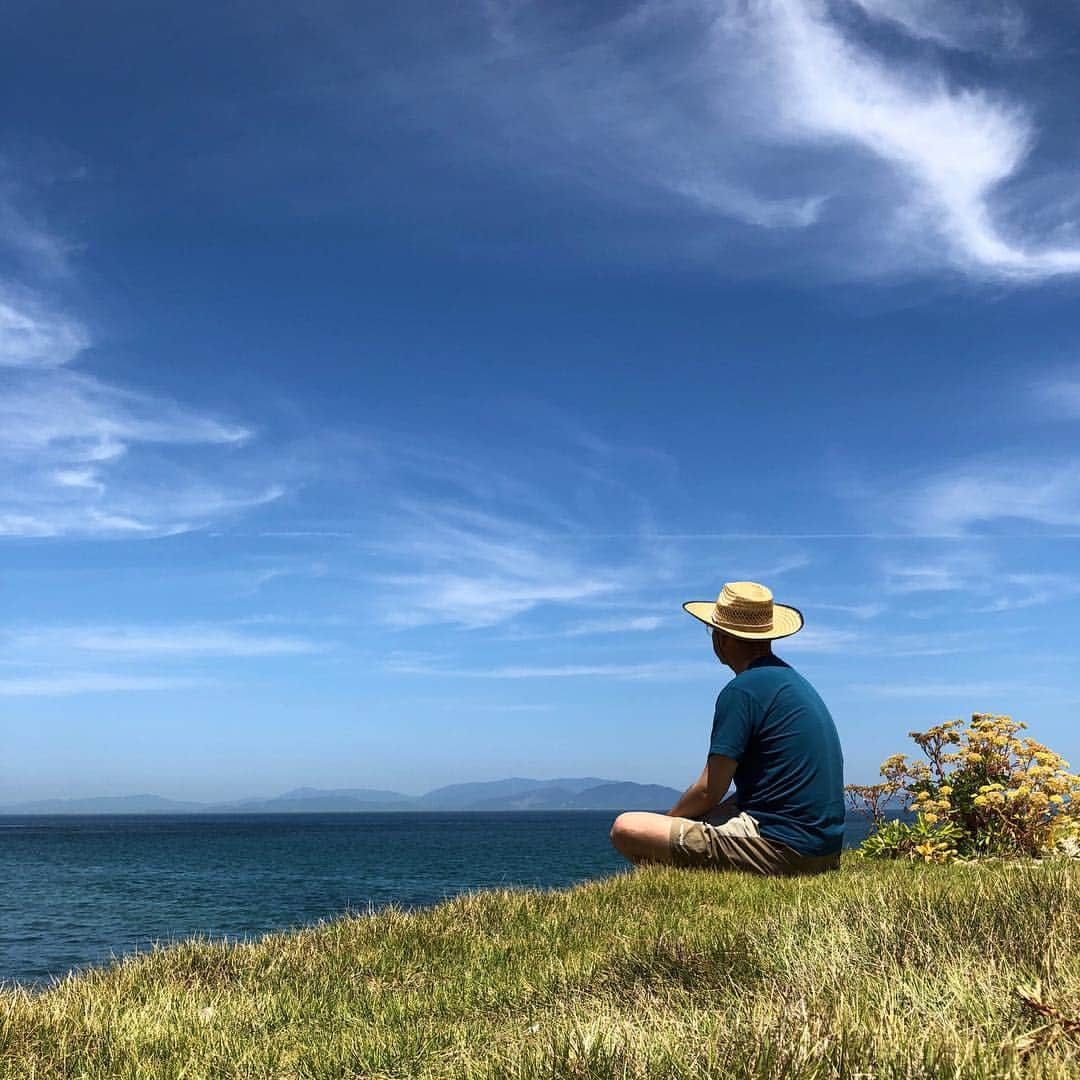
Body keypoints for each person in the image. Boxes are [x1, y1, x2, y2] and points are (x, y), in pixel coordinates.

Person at [610, 581, 845, 876]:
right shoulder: (793, 683)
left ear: (723, 639)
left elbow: (709, 790)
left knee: (626, 827)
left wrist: (670, 824)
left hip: (782, 850)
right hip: (823, 851)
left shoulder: (742, 690)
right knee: (718, 811)